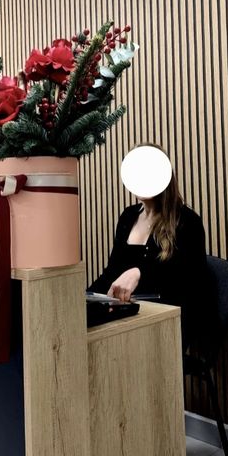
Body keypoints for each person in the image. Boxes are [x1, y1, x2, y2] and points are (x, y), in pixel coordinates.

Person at [88, 147, 208, 350]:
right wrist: (86, 298)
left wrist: (139, 272)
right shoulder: (128, 217)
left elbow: (188, 281)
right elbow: (112, 272)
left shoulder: (187, 221)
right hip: (127, 317)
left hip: (166, 322)